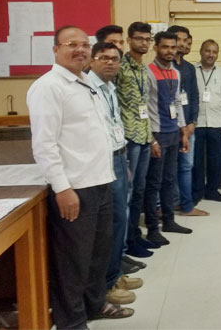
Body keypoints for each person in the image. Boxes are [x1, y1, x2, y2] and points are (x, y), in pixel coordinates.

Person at [27, 26, 133, 326]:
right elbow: (44, 145)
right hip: (76, 188)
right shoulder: (49, 87)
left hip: (101, 182)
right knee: (73, 260)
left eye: (85, 44)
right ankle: (72, 322)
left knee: (98, 255)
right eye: (71, 44)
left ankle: (93, 305)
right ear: (56, 49)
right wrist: (62, 188)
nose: (80, 50)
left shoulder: (86, 83)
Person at [88, 42, 143, 306]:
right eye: (104, 58)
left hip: (118, 157)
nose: (110, 62)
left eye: (115, 59)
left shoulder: (109, 88)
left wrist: (124, 159)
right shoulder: (87, 89)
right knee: (109, 223)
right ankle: (107, 285)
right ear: (92, 60)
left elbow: (114, 124)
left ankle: (115, 274)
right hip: (102, 162)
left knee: (120, 218)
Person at [144, 31, 192, 245]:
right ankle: (152, 228)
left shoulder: (175, 72)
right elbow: (143, 107)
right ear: (156, 48)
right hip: (157, 133)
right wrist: (151, 139)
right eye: (165, 47)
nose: (170, 51)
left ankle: (169, 221)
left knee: (169, 180)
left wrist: (183, 132)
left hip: (174, 133)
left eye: (173, 47)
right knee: (154, 183)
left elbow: (177, 103)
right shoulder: (148, 72)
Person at [115, 22, 159, 260]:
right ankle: (126, 243)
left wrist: (151, 138)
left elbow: (145, 107)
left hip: (143, 135)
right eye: (139, 38)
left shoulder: (143, 69)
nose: (144, 43)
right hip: (128, 138)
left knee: (139, 189)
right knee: (129, 192)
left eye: (147, 39)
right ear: (129, 40)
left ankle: (134, 235)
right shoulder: (119, 67)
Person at [166, 25, 205, 217]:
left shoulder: (189, 68)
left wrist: (192, 123)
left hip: (188, 127)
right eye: (177, 39)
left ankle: (187, 205)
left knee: (186, 166)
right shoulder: (164, 67)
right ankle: (172, 203)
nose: (181, 43)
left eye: (184, 40)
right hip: (169, 127)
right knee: (169, 168)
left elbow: (194, 97)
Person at [193, 39, 221, 203]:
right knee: (196, 160)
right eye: (207, 51)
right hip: (196, 123)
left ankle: (212, 191)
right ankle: (197, 192)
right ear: (201, 52)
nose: (211, 54)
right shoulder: (192, 71)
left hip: (217, 123)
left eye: (214, 52)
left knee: (216, 159)